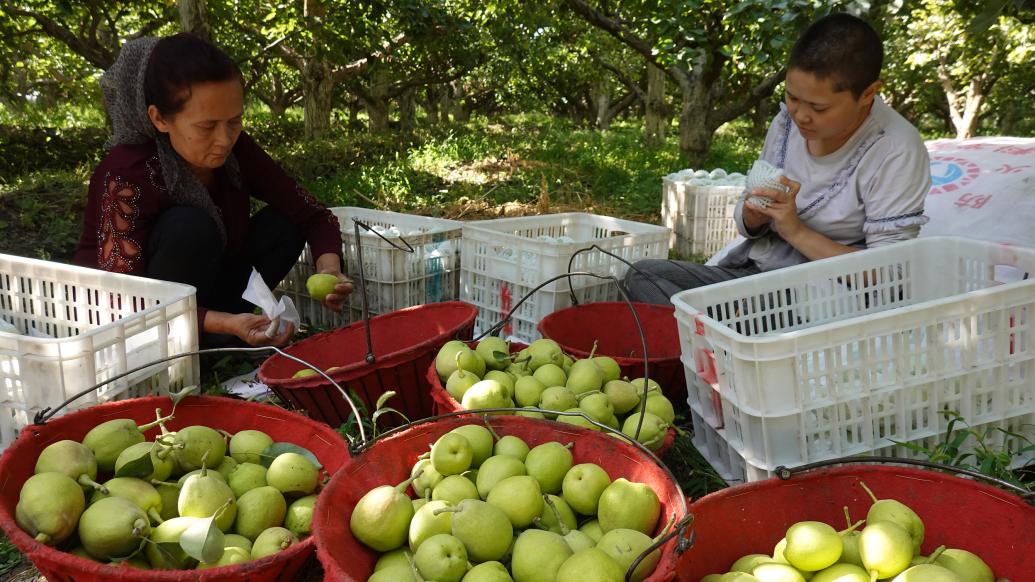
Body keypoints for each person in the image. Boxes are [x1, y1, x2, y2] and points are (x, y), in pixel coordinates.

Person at [624, 13, 931, 304]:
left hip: (824, 297)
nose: (800, 115)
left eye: (818, 108)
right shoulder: (787, 124)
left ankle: (720, 333)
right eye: (791, 97)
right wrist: (753, 217)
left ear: (868, 94)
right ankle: (721, 331)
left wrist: (796, 232)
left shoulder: (895, 149)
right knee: (641, 275)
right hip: (759, 272)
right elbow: (749, 216)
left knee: (715, 311)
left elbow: (891, 272)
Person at [73, 33, 352, 347]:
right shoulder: (127, 174)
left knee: (285, 223)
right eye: (207, 126)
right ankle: (207, 340)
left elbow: (313, 215)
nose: (224, 139)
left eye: (234, 121)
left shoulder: (237, 150)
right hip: (139, 324)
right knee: (189, 227)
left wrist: (330, 271)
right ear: (159, 118)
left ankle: (222, 336)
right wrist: (222, 323)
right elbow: (123, 298)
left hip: (210, 302)